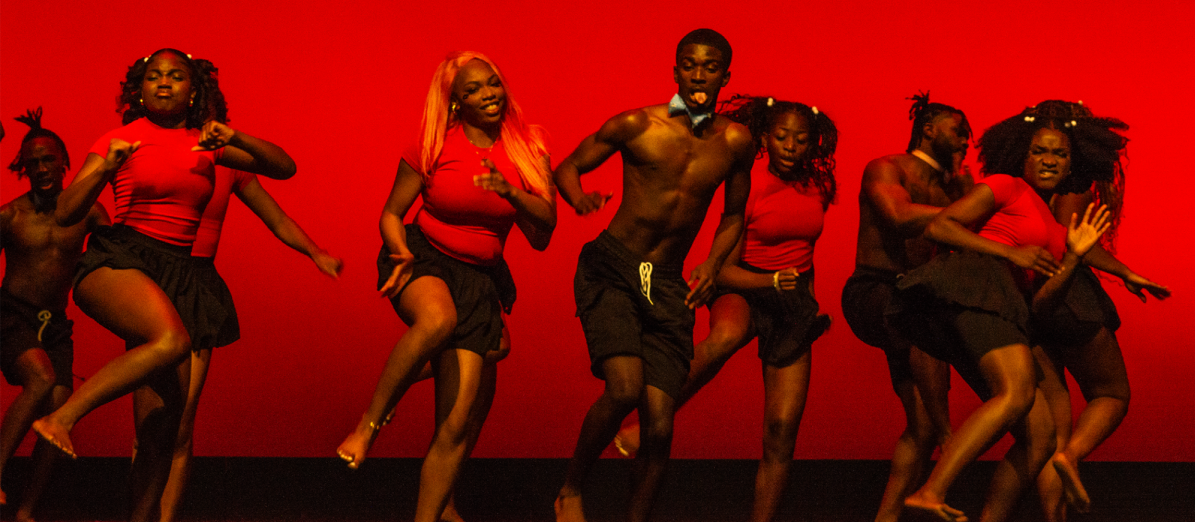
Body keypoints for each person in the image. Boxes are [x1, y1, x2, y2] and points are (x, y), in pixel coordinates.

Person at [33, 48, 296, 522]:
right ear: (139, 89)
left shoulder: (208, 144)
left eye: (176, 77)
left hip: (180, 272)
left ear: (193, 90)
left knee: (162, 429)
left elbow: (284, 167)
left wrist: (235, 135)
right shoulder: (119, 139)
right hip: (123, 258)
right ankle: (62, 417)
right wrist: (105, 169)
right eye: (154, 76)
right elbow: (68, 213)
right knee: (171, 340)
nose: (164, 83)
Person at [336, 51, 556, 522]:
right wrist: (400, 252)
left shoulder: (529, 147)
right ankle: (367, 428)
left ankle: (433, 513)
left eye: (492, 83)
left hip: (479, 279)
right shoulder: (434, 143)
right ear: (456, 104)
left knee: (457, 422)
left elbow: (543, 234)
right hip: (424, 256)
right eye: (473, 90)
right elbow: (391, 214)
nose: (488, 94)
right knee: (438, 320)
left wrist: (511, 192)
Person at [553, 28, 755, 522]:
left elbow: (733, 215)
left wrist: (711, 263)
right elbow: (568, 167)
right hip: (615, 267)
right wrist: (579, 198)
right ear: (676, 71)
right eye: (690, 64)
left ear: (726, 76)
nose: (699, 74)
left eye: (710, 67)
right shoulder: (636, 124)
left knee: (660, 426)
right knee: (623, 389)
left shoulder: (736, 141)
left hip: (665, 281)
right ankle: (571, 487)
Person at [612, 95, 838, 522]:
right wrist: (766, 282)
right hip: (742, 283)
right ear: (765, 139)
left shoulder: (819, 187)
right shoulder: (747, 183)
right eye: (782, 137)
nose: (790, 146)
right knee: (727, 335)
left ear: (813, 145)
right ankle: (644, 424)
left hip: (789, 298)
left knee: (781, 432)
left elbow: (804, 257)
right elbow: (725, 270)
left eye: (800, 140)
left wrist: (804, 306)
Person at [135, 64, 343, 522]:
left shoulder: (226, 162)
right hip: (152, 281)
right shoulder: (148, 148)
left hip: (197, 286)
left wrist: (316, 253)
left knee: (182, 423)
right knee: (151, 422)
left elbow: (278, 215)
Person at [890, 104, 1113, 522]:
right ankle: (930, 490)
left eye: (1059, 155)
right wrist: (1012, 253)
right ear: (1021, 156)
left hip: (998, 307)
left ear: (1071, 166)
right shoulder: (1005, 185)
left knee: (1042, 432)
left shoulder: (1048, 217)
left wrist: (1128, 274)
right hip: (976, 288)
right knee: (1015, 393)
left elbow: (1067, 257)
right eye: (1039, 151)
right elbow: (940, 227)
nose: (1049, 160)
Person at [973, 101, 1170, 522]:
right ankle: (1073, 455)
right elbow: (1070, 240)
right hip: (1068, 294)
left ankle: (1039, 513)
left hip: (1029, 301)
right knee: (1112, 394)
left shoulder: (1018, 187)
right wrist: (1126, 271)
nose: (1051, 159)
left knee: (1051, 424)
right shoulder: (1072, 180)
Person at [840, 93, 973, 522]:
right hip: (874, 291)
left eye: (968, 136)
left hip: (917, 297)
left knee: (921, 427)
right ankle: (954, 438)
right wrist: (967, 208)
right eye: (958, 132)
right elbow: (897, 215)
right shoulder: (887, 167)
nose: (965, 141)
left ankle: (887, 516)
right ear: (929, 128)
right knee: (922, 315)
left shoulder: (955, 186)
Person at [0, 110, 109, 520]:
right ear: (22, 168)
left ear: (65, 161)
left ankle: (27, 510)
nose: (42, 169)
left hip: (56, 323)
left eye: (49, 160)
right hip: (10, 315)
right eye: (33, 163)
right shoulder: (10, 216)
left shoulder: (91, 212)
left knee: (60, 408)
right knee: (41, 378)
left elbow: (111, 267)